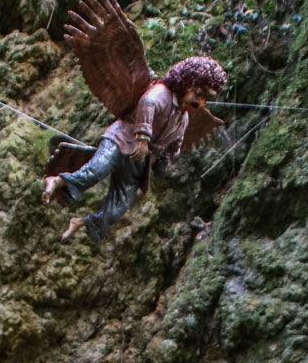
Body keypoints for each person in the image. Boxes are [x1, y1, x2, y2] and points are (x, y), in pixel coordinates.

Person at [43, 58, 227, 242]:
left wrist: (167, 157)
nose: (198, 101)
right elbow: (148, 102)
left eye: (205, 99)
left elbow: (175, 144)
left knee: (118, 207)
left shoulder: (183, 119)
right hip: (121, 137)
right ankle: (58, 181)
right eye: (198, 92)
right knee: (97, 170)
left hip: (139, 160)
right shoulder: (162, 93)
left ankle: (82, 222)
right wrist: (143, 138)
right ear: (187, 81)